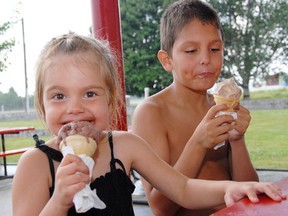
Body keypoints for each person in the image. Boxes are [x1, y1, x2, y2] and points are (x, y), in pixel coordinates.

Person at [12, 32, 284, 216]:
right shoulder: (35, 165)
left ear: (111, 100)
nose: (75, 108)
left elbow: (184, 188)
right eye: (59, 96)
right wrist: (60, 200)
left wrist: (231, 188)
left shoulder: (125, 145)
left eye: (90, 94)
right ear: (42, 103)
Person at [131, 0, 260, 215]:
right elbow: (160, 207)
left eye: (214, 49)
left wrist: (237, 141)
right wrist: (198, 143)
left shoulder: (219, 106)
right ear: (167, 60)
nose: (205, 59)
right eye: (191, 50)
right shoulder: (152, 112)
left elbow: (247, 189)